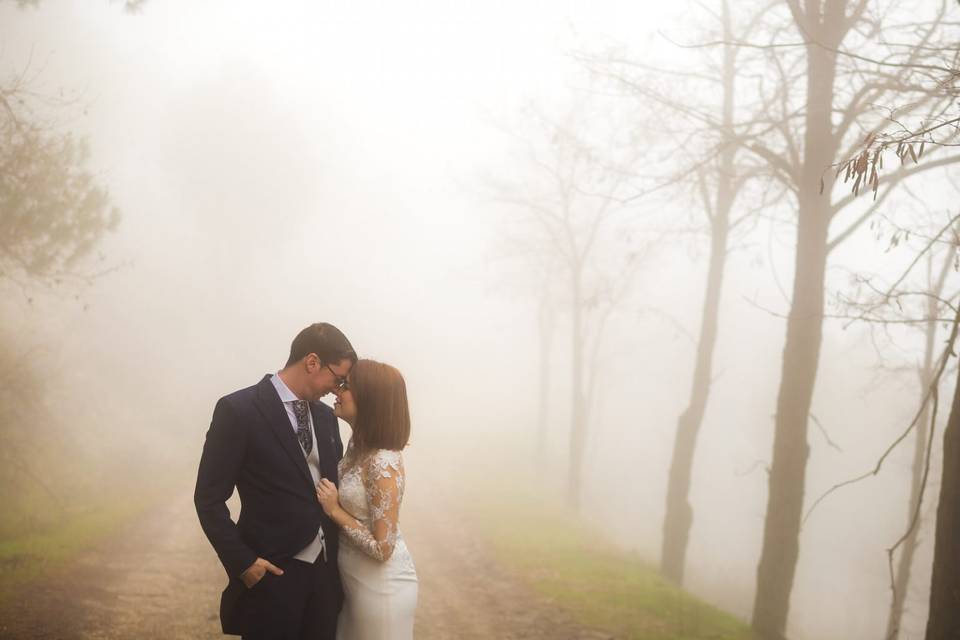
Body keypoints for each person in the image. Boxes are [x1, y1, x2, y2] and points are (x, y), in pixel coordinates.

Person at [195, 323, 357, 640]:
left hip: (325, 581)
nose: (336, 389)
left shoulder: (326, 418)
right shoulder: (238, 410)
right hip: (271, 575)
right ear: (312, 362)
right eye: (336, 379)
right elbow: (209, 499)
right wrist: (244, 564)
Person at [315, 359, 418, 640]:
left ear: (369, 398)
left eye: (346, 386)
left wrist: (335, 510)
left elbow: (383, 547)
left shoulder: (383, 461)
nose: (337, 391)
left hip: (381, 589)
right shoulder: (356, 447)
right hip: (353, 584)